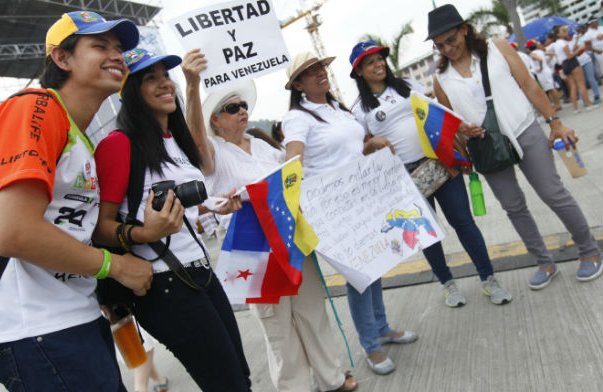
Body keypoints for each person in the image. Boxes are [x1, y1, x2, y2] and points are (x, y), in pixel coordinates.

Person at [0, 11, 152, 391]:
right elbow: (15, 233)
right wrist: (116, 266)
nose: (116, 56)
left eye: (119, 48)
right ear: (62, 58)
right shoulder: (34, 107)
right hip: (37, 330)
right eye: (99, 46)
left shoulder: (77, 135)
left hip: (70, 320)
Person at [186, 48, 358, 392]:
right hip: (250, 245)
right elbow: (194, 138)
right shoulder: (214, 153)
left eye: (242, 106)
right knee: (277, 325)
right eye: (231, 108)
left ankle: (332, 379)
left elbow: (294, 176)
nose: (241, 112)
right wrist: (192, 86)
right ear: (215, 121)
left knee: (311, 311)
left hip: (289, 236)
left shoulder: (265, 146)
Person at [92, 48, 251, 392]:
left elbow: (174, 208)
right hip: (164, 285)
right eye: (150, 77)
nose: (164, 83)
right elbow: (98, 226)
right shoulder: (118, 145)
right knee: (229, 386)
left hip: (201, 272)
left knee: (240, 378)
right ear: (131, 91)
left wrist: (210, 209)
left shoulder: (173, 141)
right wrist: (145, 232)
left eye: (166, 75)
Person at [427, 4, 603, 290]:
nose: (447, 48)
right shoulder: (441, 78)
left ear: (464, 30)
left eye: (451, 40)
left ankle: (590, 250)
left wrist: (555, 121)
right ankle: (544, 262)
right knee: (513, 207)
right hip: (486, 146)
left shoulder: (496, 48)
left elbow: (529, 85)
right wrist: (463, 129)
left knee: (553, 193)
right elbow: (451, 121)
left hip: (524, 129)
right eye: (439, 45)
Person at [282, 50, 418, 376]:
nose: (320, 73)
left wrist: (374, 145)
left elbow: (355, 148)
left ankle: (382, 328)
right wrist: (292, 195)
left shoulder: (338, 109)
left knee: (376, 266)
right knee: (360, 277)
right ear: (298, 84)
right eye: (310, 71)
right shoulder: (298, 117)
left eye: (321, 67)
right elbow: (293, 160)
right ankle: (370, 346)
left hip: (364, 199)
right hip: (332, 209)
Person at [349, 39, 512, 308]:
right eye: (369, 62)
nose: (378, 65)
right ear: (358, 72)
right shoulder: (359, 109)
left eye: (379, 59)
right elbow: (360, 149)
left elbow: (436, 114)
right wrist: (371, 143)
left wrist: (461, 130)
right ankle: (448, 285)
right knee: (427, 235)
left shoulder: (408, 86)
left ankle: (489, 278)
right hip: (404, 179)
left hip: (440, 163)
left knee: (464, 223)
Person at [555, 25, 594, 113]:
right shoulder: (563, 43)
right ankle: (588, 105)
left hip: (564, 64)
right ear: (558, 34)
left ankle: (575, 109)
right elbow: (569, 56)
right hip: (572, 62)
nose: (565, 31)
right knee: (581, 84)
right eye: (562, 30)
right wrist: (579, 50)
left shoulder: (557, 44)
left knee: (572, 86)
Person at [528, 40, 563, 111]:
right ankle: (557, 104)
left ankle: (557, 105)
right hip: (546, 70)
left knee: (551, 89)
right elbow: (552, 54)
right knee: (550, 88)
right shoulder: (540, 52)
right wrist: (547, 62)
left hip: (543, 73)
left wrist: (540, 67)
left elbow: (540, 60)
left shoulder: (533, 54)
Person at [583, 17, 603, 87]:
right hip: (599, 53)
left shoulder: (601, 28)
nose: (596, 22)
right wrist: (597, 51)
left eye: (596, 21)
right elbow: (587, 46)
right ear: (591, 23)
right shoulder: (588, 33)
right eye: (594, 22)